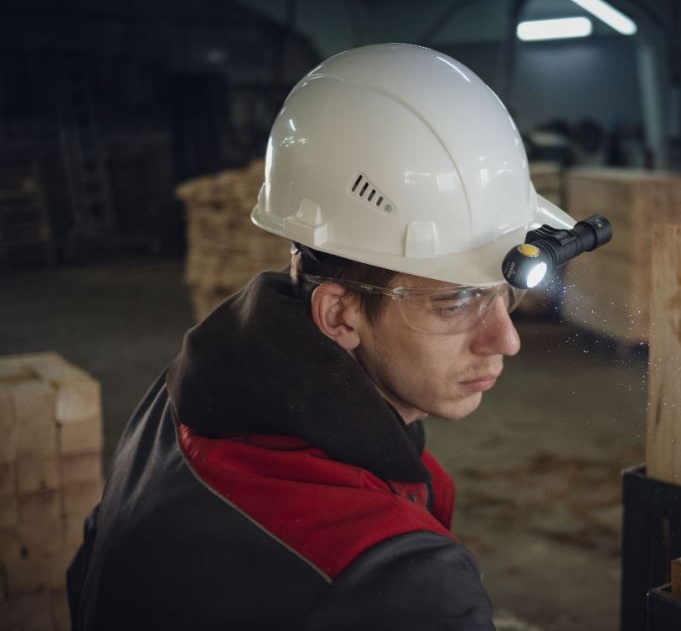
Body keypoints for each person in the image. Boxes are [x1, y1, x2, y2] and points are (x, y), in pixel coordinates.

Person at [66, 44, 601, 629]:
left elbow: (87, 571)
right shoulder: (399, 578)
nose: (506, 340)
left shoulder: (179, 397)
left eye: (505, 294)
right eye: (455, 303)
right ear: (341, 315)